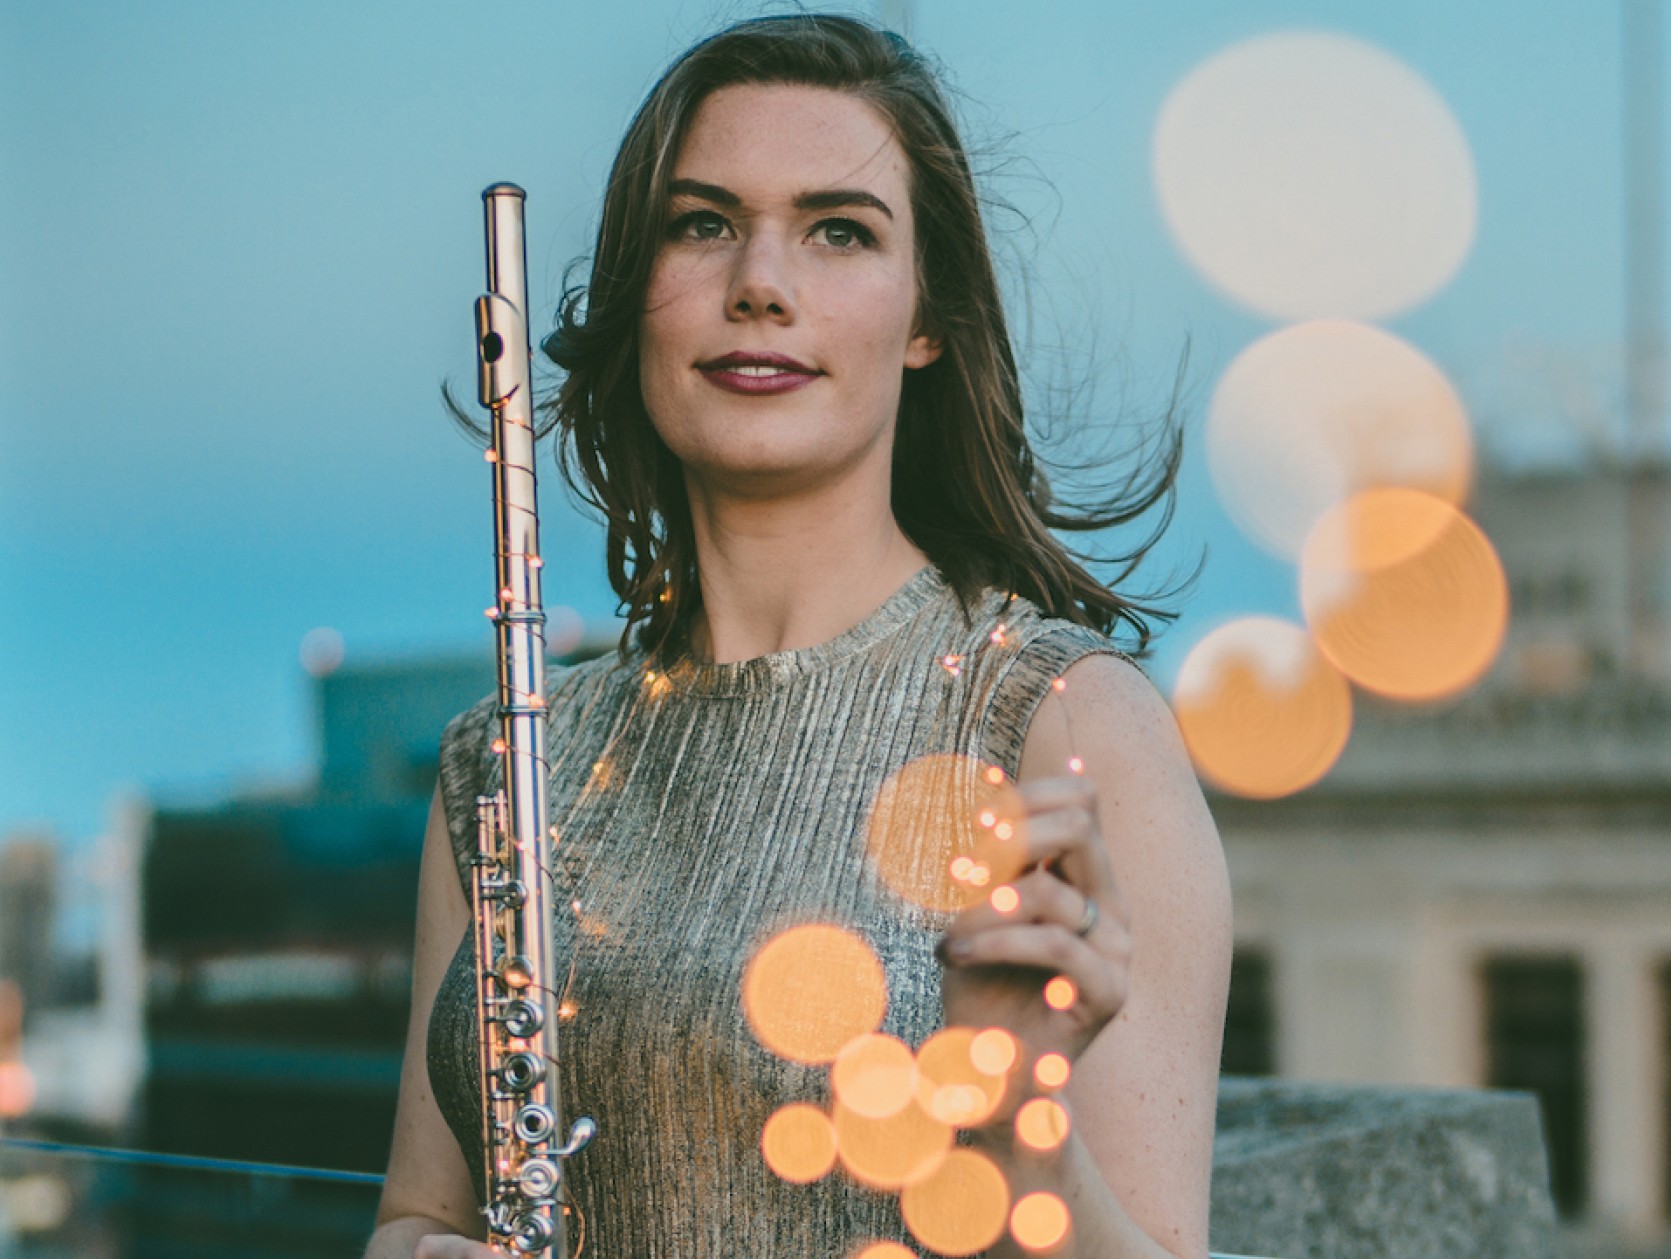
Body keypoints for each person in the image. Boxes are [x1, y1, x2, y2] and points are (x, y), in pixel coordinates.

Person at [367, 14, 1231, 1258]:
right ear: (636, 294)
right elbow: (413, 1216)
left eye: (839, 229)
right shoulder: (505, 763)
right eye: (702, 222)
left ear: (926, 316)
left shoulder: (1065, 723)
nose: (759, 281)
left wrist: (1007, 1129)